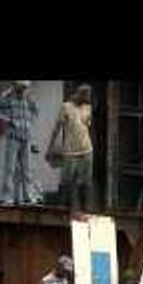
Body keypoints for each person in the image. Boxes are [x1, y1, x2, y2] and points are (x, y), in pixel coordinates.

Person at [0, 81, 39, 206]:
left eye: (25, 87)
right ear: (16, 86)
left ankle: (28, 197)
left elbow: (35, 110)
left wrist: (29, 122)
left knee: (26, 169)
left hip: (26, 137)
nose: (23, 89)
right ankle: (7, 198)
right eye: (21, 87)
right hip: (13, 137)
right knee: (10, 169)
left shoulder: (28, 97)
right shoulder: (7, 97)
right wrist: (8, 120)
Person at [47, 84, 93, 219]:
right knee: (67, 180)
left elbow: (87, 125)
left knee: (86, 180)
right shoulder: (66, 107)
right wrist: (50, 147)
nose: (88, 99)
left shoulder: (88, 108)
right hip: (70, 151)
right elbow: (57, 128)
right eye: (87, 96)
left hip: (87, 149)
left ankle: (86, 210)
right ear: (81, 94)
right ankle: (63, 209)